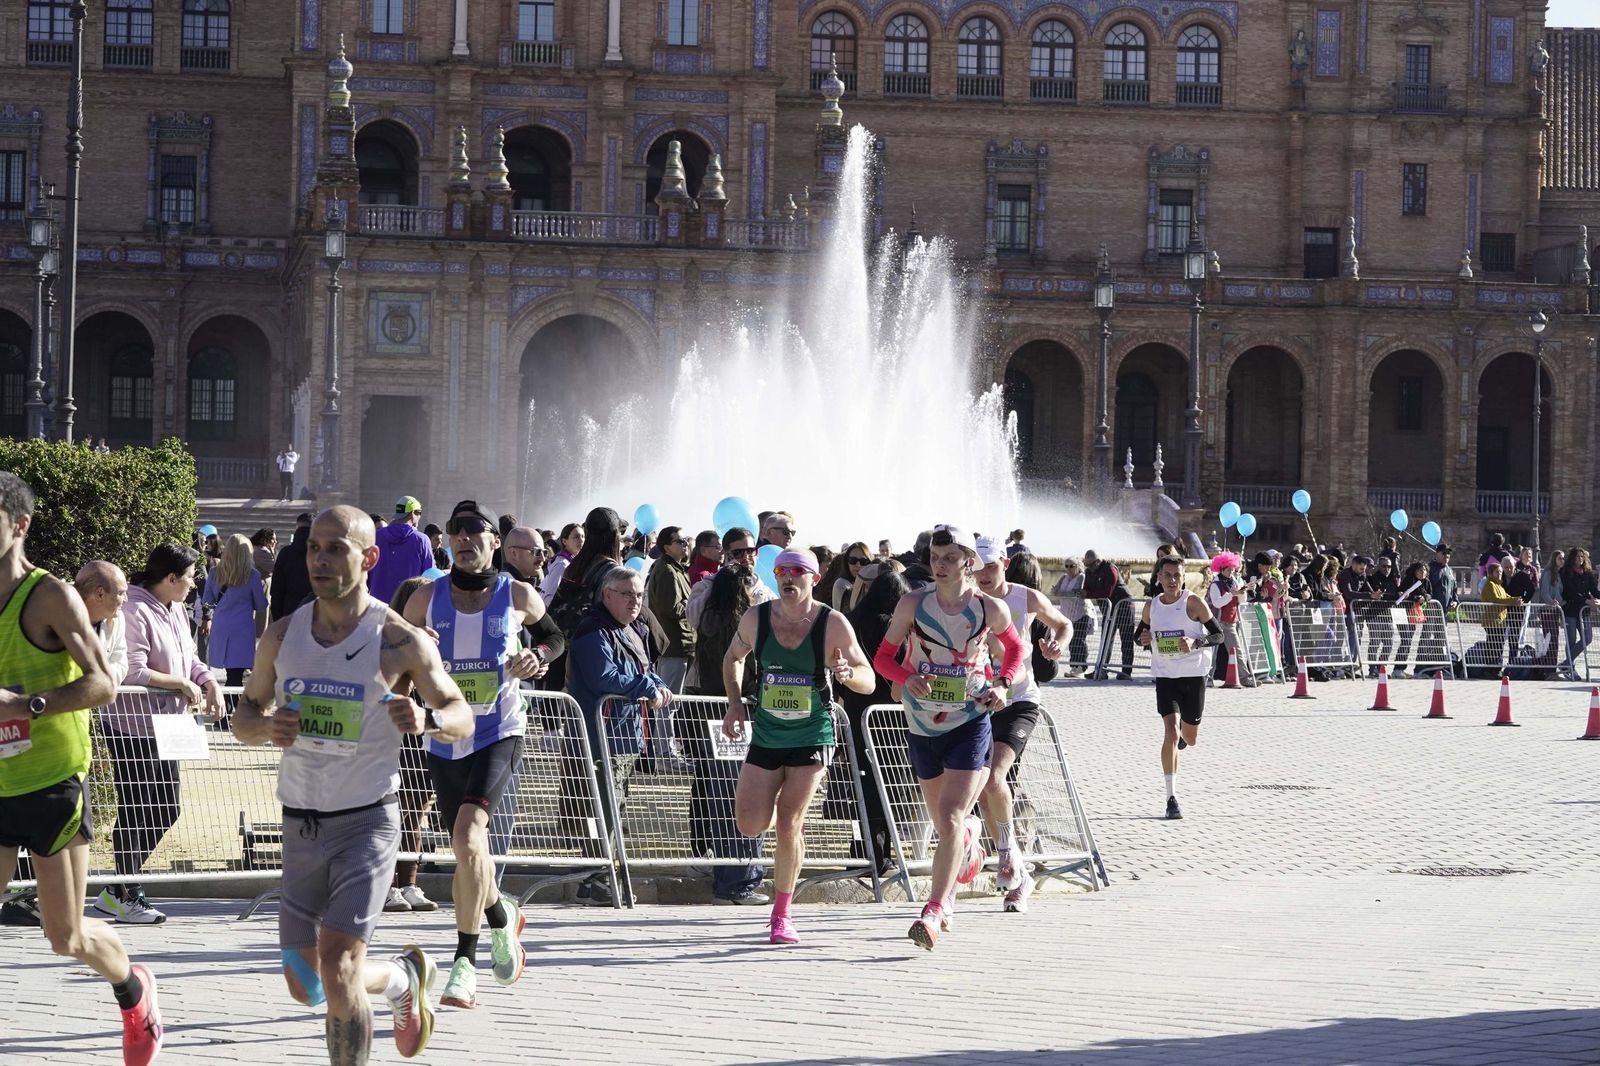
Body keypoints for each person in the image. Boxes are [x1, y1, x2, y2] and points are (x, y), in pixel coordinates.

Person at [233, 506, 474, 1063]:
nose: (319, 558)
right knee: (307, 983)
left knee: (338, 968)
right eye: (314, 547)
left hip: (367, 820)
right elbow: (243, 716)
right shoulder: (282, 635)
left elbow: (461, 711)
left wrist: (427, 720)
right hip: (299, 823)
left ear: (367, 559)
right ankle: (401, 979)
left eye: (335, 548)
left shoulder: (398, 639)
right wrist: (266, 727)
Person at [0, 474, 166, 1066]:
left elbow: (103, 683)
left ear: (19, 525)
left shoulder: (49, 597)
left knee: (64, 937)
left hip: (51, 781)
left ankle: (132, 988)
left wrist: (27, 705)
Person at [400, 500, 563, 1009]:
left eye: (476, 533)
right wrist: (411, 650)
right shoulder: (426, 598)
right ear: (446, 542)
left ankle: (463, 964)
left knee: (471, 835)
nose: (465, 541)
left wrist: (537, 657)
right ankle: (501, 916)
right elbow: (397, 662)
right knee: (466, 849)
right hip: (446, 733)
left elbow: (556, 637)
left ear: (496, 543)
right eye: (456, 533)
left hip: (499, 729)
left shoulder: (518, 593)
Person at [872, 526, 1025, 951]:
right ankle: (971, 847)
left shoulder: (988, 609)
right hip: (922, 724)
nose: (938, 566)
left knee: (952, 816)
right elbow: (882, 658)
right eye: (935, 558)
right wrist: (906, 678)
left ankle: (935, 910)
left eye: (948, 558)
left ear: (967, 563)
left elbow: (1014, 651)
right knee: (945, 823)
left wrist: (1003, 685)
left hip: (970, 720)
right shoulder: (911, 604)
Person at [721, 548, 875, 945]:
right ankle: (783, 823)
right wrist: (736, 702)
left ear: (814, 578)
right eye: (781, 571)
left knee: (790, 821)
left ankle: (781, 913)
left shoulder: (832, 623)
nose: (788, 578)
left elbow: (868, 679)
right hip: (768, 735)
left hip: (813, 734)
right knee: (750, 824)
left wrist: (847, 674)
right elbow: (733, 658)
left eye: (797, 571)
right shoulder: (758, 618)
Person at [96, 543, 224, 925]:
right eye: (188, 577)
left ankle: (118, 889)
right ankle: (128, 892)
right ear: (170, 578)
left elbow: (191, 657)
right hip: (132, 725)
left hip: (170, 724)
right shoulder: (134, 610)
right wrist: (180, 682)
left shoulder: (177, 609)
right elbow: (131, 671)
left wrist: (207, 681)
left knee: (166, 808)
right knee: (137, 808)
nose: (193, 584)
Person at [972, 537, 1070, 913]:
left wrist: (1056, 645)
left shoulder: (1024, 597)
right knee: (984, 789)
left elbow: (1063, 625)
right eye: (976, 568)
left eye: (990, 567)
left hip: (1019, 701)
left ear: (1005, 565)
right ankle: (1017, 869)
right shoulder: (966, 600)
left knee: (994, 778)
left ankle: (1008, 856)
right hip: (978, 703)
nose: (983, 575)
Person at [566, 565, 669, 906]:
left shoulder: (630, 630)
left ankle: (606, 873)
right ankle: (596, 877)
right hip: (601, 735)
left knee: (616, 808)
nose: (635, 602)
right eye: (627, 595)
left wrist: (658, 686)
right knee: (602, 810)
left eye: (639, 595)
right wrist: (646, 687)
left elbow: (645, 671)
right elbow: (604, 676)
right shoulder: (593, 630)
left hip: (626, 735)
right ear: (607, 595)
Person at [686, 564, 767, 904]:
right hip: (739, 712)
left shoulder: (708, 619)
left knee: (721, 795)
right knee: (745, 793)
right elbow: (748, 669)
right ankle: (738, 881)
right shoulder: (743, 625)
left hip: (711, 711)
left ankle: (726, 874)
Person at [1136, 554, 1225, 821]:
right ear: (1159, 578)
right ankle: (1171, 798)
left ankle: (1185, 739)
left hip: (1193, 675)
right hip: (1165, 676)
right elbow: (1140, 635)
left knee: (1190, 737)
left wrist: (1195, 643)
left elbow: (1218, 635)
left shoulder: (1194, 603)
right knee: (1170, 733)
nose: (1172, 580)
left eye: (1177, 575)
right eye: (1167, 575)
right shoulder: (1152, 606)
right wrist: (1143, 638)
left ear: (1184, 577)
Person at [382, 578, 439, 915]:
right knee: (390, 814)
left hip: (422, 738)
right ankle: (386, 886)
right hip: (392, 738)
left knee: (416, 812)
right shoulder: (389, 641)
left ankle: (409, 883)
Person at [202, 533, 268, 687]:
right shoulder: (252, 575)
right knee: (236, 673)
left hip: (221, 625)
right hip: (242, 627)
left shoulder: (214, 571)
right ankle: (231, 706)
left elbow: (207, 601)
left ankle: (229, 705)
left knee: (230, 672)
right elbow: (261, 605)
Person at [646, 525, 696, 693]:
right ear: (667, 547)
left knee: (671, 700)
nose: (686, 544)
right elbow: (670, 608)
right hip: (674, 645)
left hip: (679, 644)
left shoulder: (675, 568)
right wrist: (695, 603)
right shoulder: (667, 570)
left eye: (686, 540)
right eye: (680, 541)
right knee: (669, 701)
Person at [368, 495, 433, 606]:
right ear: (412, 513)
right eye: (419, 513)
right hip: (409, 606)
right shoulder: (422, 540)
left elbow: (366, 569)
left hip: (377, 606)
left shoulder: (376, 536)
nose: (420, 517)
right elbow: (429, 575)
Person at [1205, 553, 1256, 687]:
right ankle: (1206, 678)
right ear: (1221, 569)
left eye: (1233, 569)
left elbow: (1241, 601)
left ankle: (1244, 678)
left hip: (1231, 622)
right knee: (1212, 652)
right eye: (1228, 569)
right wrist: (1231, 594)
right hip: (1217, 622)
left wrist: (1242, 592)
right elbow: (1217, 603)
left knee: (1237, 650)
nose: (1231, 572)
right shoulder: (1216, 584)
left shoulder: (1234, 581)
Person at [1082, 550, 1133, 679]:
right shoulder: (1089, 572)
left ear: (1098, 561)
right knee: (1105, 641)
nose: (1089, 568)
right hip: (1109, 609)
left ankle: (1126, 672)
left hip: (1124, 606)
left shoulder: (1110, 569)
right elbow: (1087, 588)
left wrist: (1087, 594)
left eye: (1091, 565)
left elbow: (1107, 592)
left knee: (1126, 639)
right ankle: (1101, 670)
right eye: (1087, 565)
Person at [1559, 548, 1599, 678]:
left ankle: (1566, 664)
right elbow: (1570, 592)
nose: (1580, 559)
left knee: (1587, 638)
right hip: (1571, 609)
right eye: (1577, 557)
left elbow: (1594, 590)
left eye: (1582, 557)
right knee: (1571, 640)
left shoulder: (1587, 573)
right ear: (1572, 558)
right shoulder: (1566, 572)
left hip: (1584, 612)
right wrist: (1587, 601)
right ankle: (1571, 668)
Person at [270, 512, 315, 622]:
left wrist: (278, 620)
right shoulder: (322, 554)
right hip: (317, 616)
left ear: (297, 527)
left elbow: (276, 590)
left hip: (289, 614)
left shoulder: (286, 553)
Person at [538, 522, 585, 607]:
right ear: (564, 541)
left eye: (583, 536)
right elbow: (549, 596)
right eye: (576, 537)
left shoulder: (571, 561)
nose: (581, 540)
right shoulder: (562, 564)